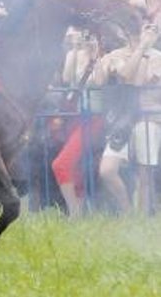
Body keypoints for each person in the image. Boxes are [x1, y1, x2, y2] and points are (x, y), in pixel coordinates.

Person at [95, 8, 161, 215]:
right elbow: (121, 76)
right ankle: (127, 211)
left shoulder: (157, 56)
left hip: (148, 119)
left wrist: (143, 51)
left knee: (145, 174)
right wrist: (141, 49)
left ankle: (140, 219)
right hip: (123, 119)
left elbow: (138, 80)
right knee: (107, 170)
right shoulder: (115, 55)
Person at [51, 28, 102, 216]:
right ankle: (79, 209)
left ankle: (74, 212)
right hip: (75, 116)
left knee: (61, 163)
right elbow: (67, 78)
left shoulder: (102, 55)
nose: (86, 37)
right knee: (76, 166)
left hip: (93, 117)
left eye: (90, 34)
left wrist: (95, 55)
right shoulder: (74, 54)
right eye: (84, 34)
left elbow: (98, 81)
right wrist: (73, 50)